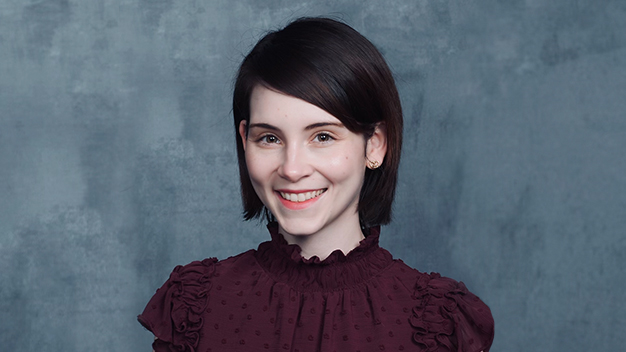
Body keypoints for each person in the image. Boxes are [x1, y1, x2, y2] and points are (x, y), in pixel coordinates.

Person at [138, 17, 494, 352]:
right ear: (244, 140)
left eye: (322, 136)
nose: (292, 169)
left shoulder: (437, 325)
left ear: (375, 145)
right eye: (270, 139)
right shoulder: (196, 306)